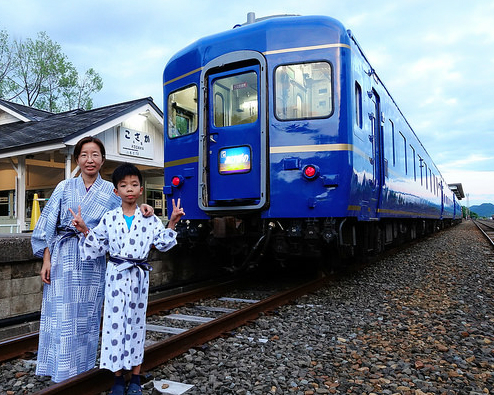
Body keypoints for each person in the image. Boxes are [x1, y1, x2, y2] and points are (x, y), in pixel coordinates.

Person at [31, 136, 155, 383]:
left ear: (102, 159)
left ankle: (82, 369)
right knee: (62, 314)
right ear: (78, 159)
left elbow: (128, 208)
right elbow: (46, 226)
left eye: (95, 154)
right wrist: (46, 260)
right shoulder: (64, 187)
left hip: (93, 261)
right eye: (85, 155)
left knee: (87, 316)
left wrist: (144, 209)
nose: (90, 160)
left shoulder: (110, 192)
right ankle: (60, 368)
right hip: (63, 258)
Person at [70, 162, 185, 395]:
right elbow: (98, 245)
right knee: (114, 325)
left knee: (136, 324)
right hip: (115, 276)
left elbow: (163, 242)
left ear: (141, 189)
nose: (129, 189)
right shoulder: (110, 218)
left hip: (138, 277)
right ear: (116, 191)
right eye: (124, 185)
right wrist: (83, 229)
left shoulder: (149, 218)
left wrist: (173, 221)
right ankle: (117, 378)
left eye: (134, 185)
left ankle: (135, 376)